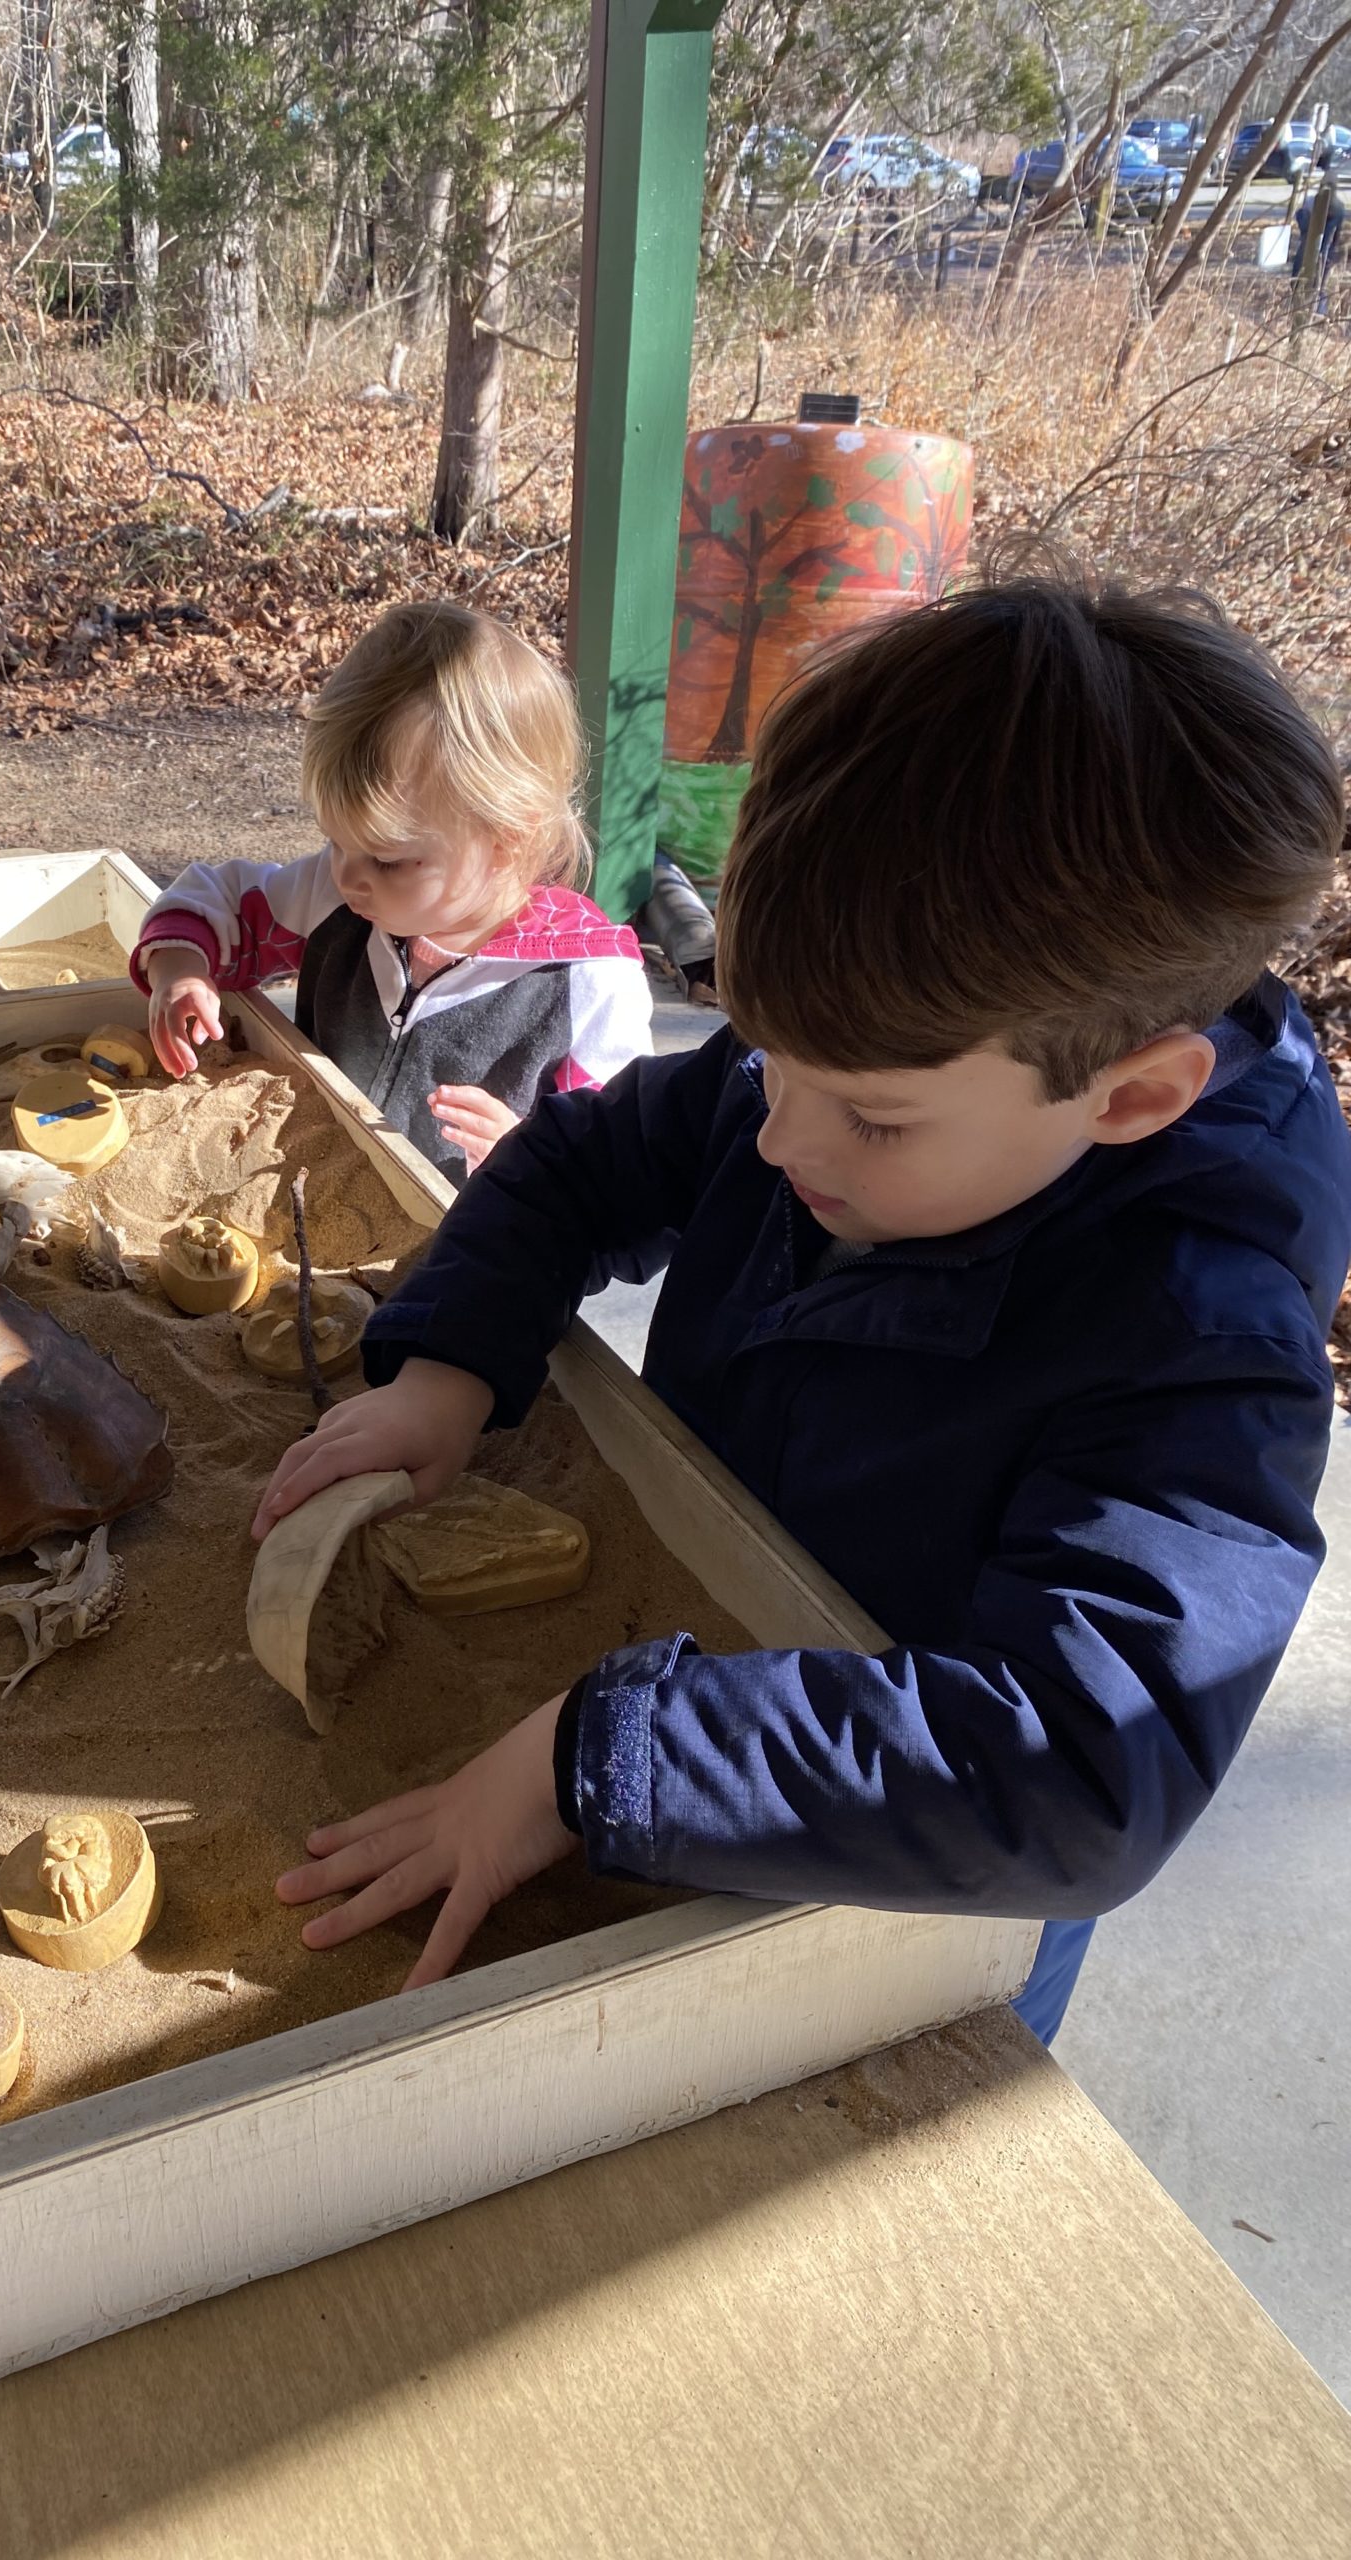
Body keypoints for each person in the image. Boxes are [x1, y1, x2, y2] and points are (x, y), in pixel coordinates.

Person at [252, 575, 1351, 2044]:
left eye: (876, 1124)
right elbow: (585, 1160)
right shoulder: (833, 1073)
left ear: (1133, 1095)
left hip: (912, 1905)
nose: (779, 1147)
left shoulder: (1198, 1338)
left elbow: (1086, 1771)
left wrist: (601, 1755)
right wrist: (449, 1364)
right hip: (717, 1623)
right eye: (763, 1058)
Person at [130, 601, 653, 1178]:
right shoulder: (337, 900)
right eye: (334, 841)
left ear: (507, 838)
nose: (348, 876)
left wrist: (531, 1154)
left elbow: (627, 1164)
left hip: (470, 1248)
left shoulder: (587, 983)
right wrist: (180, 968)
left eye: (387, 859)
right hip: (317, 1197)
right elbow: (219, 898)